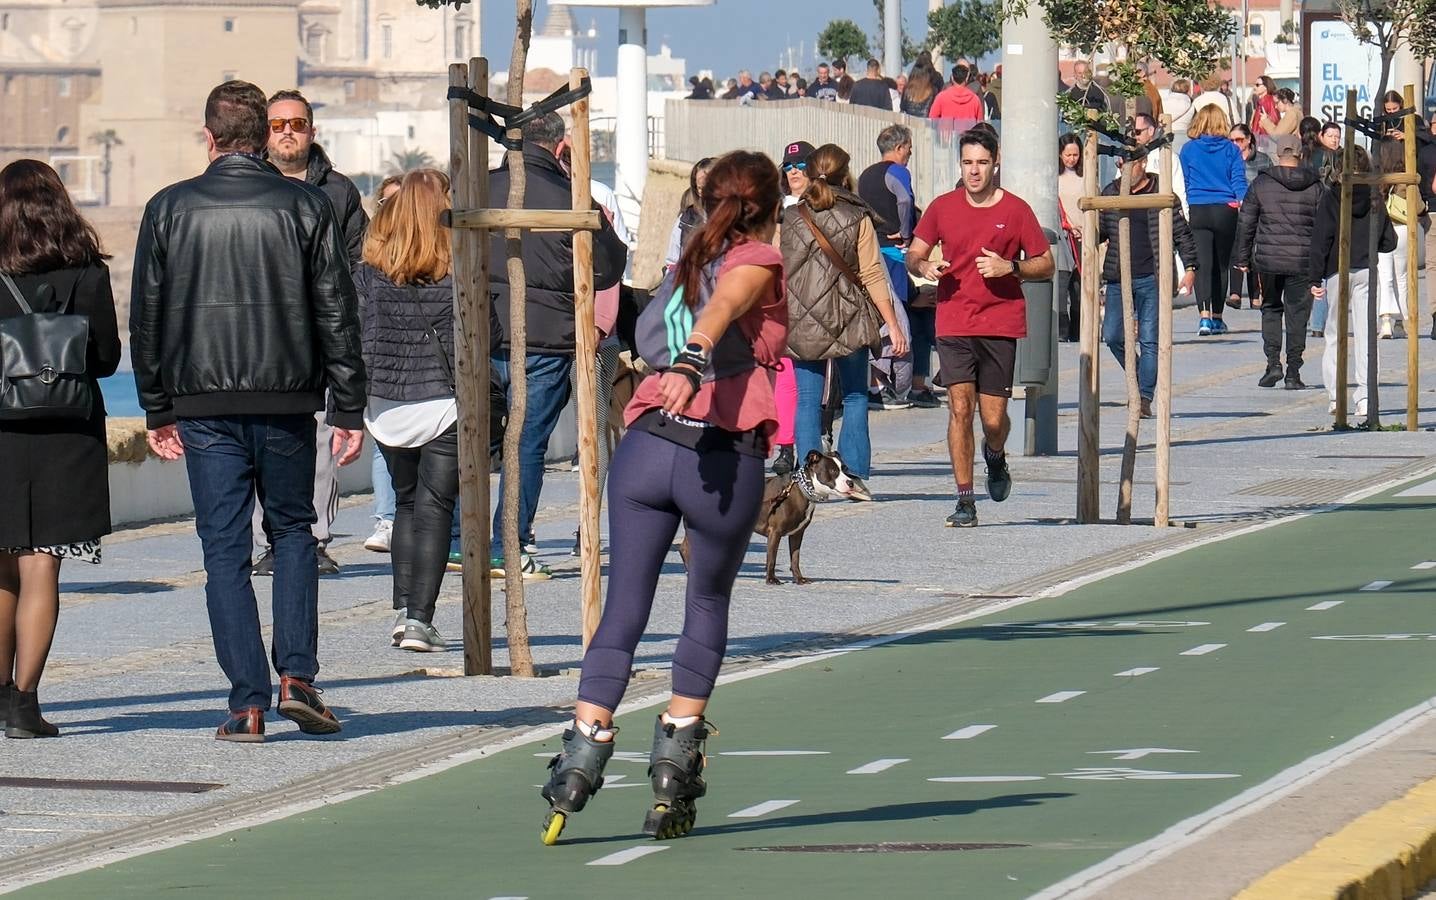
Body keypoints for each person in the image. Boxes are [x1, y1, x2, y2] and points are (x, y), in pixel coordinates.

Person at [538, 150, 788, 846]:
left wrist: (679, 353)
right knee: (705, 602)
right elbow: (731, 301)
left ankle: (582, 753)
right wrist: (696, 356)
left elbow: (658, 324)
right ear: (771, 208)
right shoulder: (757, 257)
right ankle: (675, 763)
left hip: (649, 449)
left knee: (624, 607)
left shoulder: (689, 255)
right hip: (719, 453)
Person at [130, 80, 367, 742]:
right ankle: (297, 676)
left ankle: (247, 703)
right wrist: (348, 404)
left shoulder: (168, 207)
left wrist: (156, 407)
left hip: (202, 404)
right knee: (293, 532)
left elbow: (145, 318)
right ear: (263, 135)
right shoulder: (305, 205)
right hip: (288, 398)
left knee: (224, 551)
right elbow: (336, 310)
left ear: (209, 138)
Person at [0, 160, 121, 738]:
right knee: (41, 564)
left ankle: (0, 695)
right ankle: (25, 704)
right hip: (66, 435)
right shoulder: (87, 273)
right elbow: (105, 360)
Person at [487, 112, 627, 579]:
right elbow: (609, 268)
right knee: (527, 443)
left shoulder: (477, 190)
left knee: (466, 439)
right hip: (546, 337)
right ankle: (510, 543)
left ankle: (458, 540)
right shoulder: (573, 198)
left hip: (480, 331)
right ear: (560, 146)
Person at [906, 129, 1054, 528]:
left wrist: (1012, 267)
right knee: (959, 409)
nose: (974, 171)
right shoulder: (942, 207)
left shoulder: (1017, 210)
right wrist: (925, 267)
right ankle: (965, 499)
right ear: (961, 164)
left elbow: (1045, 263)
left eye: (982, 163)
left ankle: (995, 454)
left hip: (999, 321)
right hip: (954, 320)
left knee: (993, 421)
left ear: (996, 162)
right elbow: (913, 255)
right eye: (968, 163)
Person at [251, 88, 369, 578]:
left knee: (321, 444)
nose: (287, 133)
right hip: (260, 337)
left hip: (320, 336)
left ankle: (315, 539)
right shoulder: (250, 185)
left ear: (311, 131)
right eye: (278, 125)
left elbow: (360, 260)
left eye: (296, 124)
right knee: (262, 442)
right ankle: (268, 542)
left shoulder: (338, 191)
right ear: (265, 132)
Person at [354, 169, 459, 652]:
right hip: (442, 402)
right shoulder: (459, 269)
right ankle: (420, 618)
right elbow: (491, 334)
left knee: (406, 505)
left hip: (386, 404)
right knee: (436, 509)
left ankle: (402, 610)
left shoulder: (370, 273)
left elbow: (354, 337)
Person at [782, 143, 907, 485]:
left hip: (802, 317)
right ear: (845, 174)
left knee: (807, 399)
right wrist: (893, 325)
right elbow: (871, 274)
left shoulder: (792, 217)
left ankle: (808, 476)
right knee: (854, 395)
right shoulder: (858, 217)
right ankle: (851, 472)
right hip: (849, 315)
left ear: (810, 173)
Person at [1096, 153, 1199, 418]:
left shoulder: (1161, 194)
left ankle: (1144, 397)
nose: (1124, 170)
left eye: (1130, 165)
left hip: (1153, 276)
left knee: (1150, 338)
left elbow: (1182, 233)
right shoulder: (1111, 193)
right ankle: (1141, 371)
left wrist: (1190, 269)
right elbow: (1101, 230)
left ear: (1143, 164)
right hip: (1119, 276)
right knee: (1113, 335)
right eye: (1120, 165)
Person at [1311, 146, 1396, 420]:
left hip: (1338, 269)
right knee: (1365, 335)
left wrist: (1315, 276)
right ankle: (1365, 397)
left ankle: (1337, 397)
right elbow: (1389, 240)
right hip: (1366, 269)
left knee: (1334, 334)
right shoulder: (1374, 197)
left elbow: (1321, 237)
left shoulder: (1333, 195)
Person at [1233, 135, 1324, 390]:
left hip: (1269, 261)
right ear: (1300, 155)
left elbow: (1246, 223)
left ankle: (1273, 363)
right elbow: (1325, 226)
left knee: (1271, 309)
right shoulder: (1315, 186)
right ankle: (1294, 371)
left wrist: (1242, 258)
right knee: (1298, 316)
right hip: (1303, 261)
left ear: (1277, 155)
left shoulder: (1262, 184)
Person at [860, 125, 937, 407]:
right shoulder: (898, 171)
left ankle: (875, 383)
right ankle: (906, 384)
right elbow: (903, 199)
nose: (911, 153)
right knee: (908, 313)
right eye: (910, 148)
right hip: (894, 253)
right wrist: (907, 234)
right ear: (901, 147)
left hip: (870, 250)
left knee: (878, 319)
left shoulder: (865, 176)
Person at [1179, 104, 1246, 336]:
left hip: (1199, 207)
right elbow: (1238, 180)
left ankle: (1204, 317)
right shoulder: (1231, 150)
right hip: (1225, 208)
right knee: (1222, 264)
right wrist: (1242, 203)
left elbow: (1186, 181)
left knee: (1202, 264)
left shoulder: (1188, 149)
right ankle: (1218, 316)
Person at [364, 174, 405, 554]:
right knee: (381, 446)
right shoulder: (369, 258)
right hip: (380, 371)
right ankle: (387, 518)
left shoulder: (428, 250)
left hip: (419, 375)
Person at [1228, 123, 1270, 310]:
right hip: (1234, 209)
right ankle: (1235, 293)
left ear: (1249, 139)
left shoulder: (1262, 160)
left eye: (1239, 139)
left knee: (1255, 250)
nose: (1235, 143)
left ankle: (1255, 295)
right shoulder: (1228, 158)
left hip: (1257, 208)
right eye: (1232, 140)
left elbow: (1269, 183)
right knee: (1236, 247)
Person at [1057, 133, 1086, 342]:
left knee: (1079, 289)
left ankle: (1078, 332)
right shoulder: (1054, 179)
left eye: (1075, 155)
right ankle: (1062, 332)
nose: (1071, 159)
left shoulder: (1087, 178)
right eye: (1068, 155)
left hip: (1083, 238)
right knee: (1061, 287)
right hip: (1063, 238)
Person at [666, 157, 715, 268]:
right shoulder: (686, 219)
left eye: (708, 187)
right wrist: (677, 284)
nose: (704, 193)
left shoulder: (733, 220)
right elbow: (672, 262)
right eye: (700, 188)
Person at [900, 53, 940, 117]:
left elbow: (902, 109)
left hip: (908, 125)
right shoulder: (933, 91)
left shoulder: (907, 89)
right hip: (925, 125)